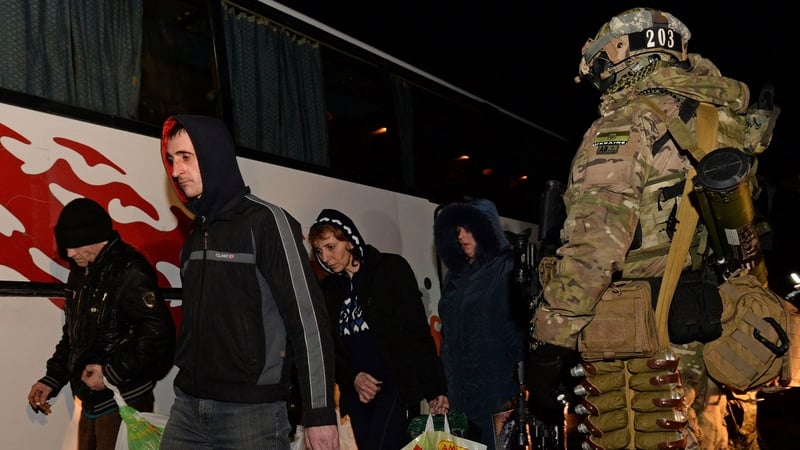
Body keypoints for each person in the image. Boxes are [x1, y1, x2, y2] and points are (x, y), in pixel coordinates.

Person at [525, 7, 778, 450]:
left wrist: (550, 343)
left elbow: (595, 246)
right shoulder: (721, 121)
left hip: (653, 347)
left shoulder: (628, 123)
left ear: (623, 52)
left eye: (600, 64)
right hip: (719, 335)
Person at [158, 115, 339, 450]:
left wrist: (320, 413)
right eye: (171, 159)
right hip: (187, 409)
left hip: (252, 416)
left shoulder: (268, 222)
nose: (176, 170)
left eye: (186, 156)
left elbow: (308, 321)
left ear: (213, 155)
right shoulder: (196, 234)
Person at [27, 197, 176, 450]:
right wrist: (51, 379)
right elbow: (73, 336)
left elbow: (158, 333)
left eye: (75, 246)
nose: (70, 254)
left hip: (123, 403)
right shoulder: (80, 271)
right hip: (91, 402)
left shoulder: (130, 269)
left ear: (97, 237)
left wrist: (111, 373)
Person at [308, 208, 450, 449]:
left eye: (331, 247)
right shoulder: (328, 291)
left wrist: (436, 388)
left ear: (350, 241)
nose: (326, 257)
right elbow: (328, 349)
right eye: (320, 251)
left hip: (396, 387)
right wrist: (353, 378)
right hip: (358, 396)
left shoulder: (389, 269)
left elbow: (416, 331)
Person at [433, 198, 527, 450]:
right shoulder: (457, 276)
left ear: (486, 229)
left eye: (469, 229)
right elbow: (449, 340)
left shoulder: (506, 267)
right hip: (463, 399)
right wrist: (445, 388)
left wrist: (517, 391)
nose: (462, 237)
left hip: (499, 397)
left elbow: (517, 332)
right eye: (458, 231)